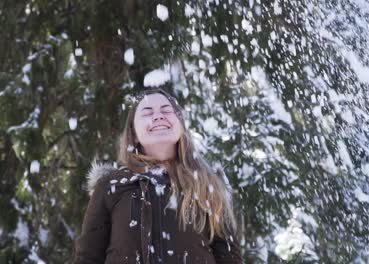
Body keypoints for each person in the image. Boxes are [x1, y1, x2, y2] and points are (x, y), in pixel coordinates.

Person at [73, 88, 243, 263]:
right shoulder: (110, 185)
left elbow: (229, 256)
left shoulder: (207, 184)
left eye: (167, 110)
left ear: (181, 127)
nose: (158, 116)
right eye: (147, 112)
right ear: (134, 134)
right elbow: (88, 257)